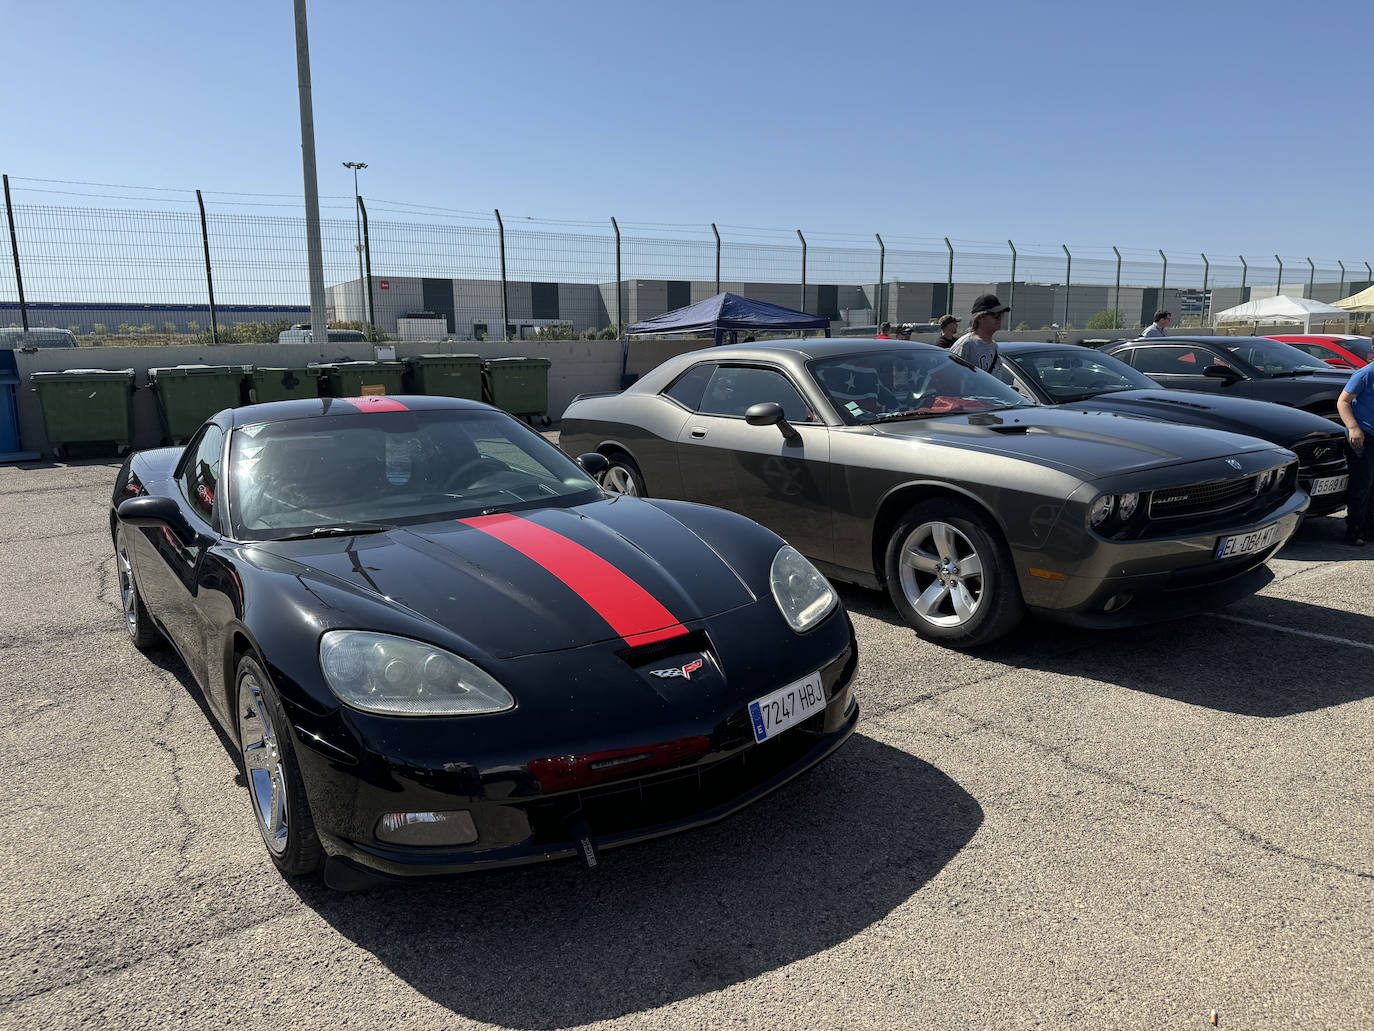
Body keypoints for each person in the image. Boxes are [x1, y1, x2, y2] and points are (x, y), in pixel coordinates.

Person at [1337, 360, 1374, 546]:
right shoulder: (1366, 374)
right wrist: (1353, 428)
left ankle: (1369, 528)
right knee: (1362, 484)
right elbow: (1343, 402)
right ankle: (1354, 530)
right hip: (1365, 436)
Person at [951, 294, 1010, 373]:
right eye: (995, 315)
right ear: (980, 318)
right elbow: (951, 376)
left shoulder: (993, 346)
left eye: (1001, 315)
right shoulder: (965, 345)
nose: (999, 319)